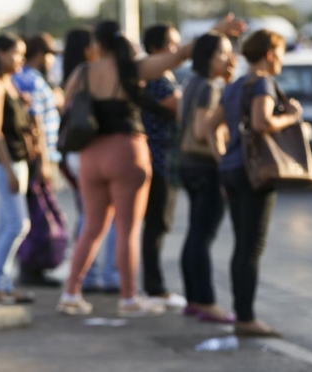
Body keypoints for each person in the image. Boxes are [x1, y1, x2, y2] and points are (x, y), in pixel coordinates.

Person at [57, 16, 246, 317]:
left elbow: (65, 106)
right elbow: (180, 54)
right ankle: (129, 298)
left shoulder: (82, 72)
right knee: (128, 229)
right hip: (126, 152)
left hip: (91, 154)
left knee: (91, 227)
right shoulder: (132, 69)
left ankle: (71, 293)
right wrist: (216, 32)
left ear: (96, 45)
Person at [206, 29, 302, 337]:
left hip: (233, 169)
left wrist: (222, 159)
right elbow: (262, 123)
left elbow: (208, 127)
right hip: (254, 172)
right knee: (251, 246)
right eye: (281, 54)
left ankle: (242, 313)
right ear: (271, 54)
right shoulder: (262, 83)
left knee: (242, 244)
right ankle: (245, 318)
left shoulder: (234, 86)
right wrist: (292, 116)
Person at [178, 32, 236, 323]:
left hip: (188, 166)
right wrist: (222, 164)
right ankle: (205, 300)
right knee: (203, 235)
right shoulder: (208, 88)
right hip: (204, 166)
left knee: (195, 233)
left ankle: (193, 299)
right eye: (223, 53)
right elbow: (203, 132)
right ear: (207, 57)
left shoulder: (192, 83)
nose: (228, 58)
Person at [61, 26, 119, 294]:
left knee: (88, 213)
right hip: (98, 149)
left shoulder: (75, 72)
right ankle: (106, 274)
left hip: (75, 149)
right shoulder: (97, 70)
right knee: (104, 215)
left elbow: (64, 105)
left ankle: (89, 273)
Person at [0, 33, 35, 304]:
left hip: (17, 160)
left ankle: (2, 284)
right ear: (0, 53)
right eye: (17, 53)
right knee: (17, 224)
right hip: (3, 162)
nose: (21, 60)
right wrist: (9, 170)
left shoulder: (9, 82)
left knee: (6, 225)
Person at [139, 24, 186, 309]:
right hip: (159, 162)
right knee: (157, 225)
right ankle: (154, 288)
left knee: (156, 225)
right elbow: (183, 110)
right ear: (156, 48)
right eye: (173, 44)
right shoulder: (158, 80)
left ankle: (151, 286)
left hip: (159, 160)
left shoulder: (156, 77)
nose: (177, 51)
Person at [13, 32, 64, 287]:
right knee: (38, 215)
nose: (53, 61)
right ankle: (30, 268)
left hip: (39, 156)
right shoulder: (29, 79)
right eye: (50, 55)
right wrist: (43, 161)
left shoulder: (32, 78)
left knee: (38, 214)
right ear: (40, 55)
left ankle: (33, 267)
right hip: (37, 157)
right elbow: (35, 124)